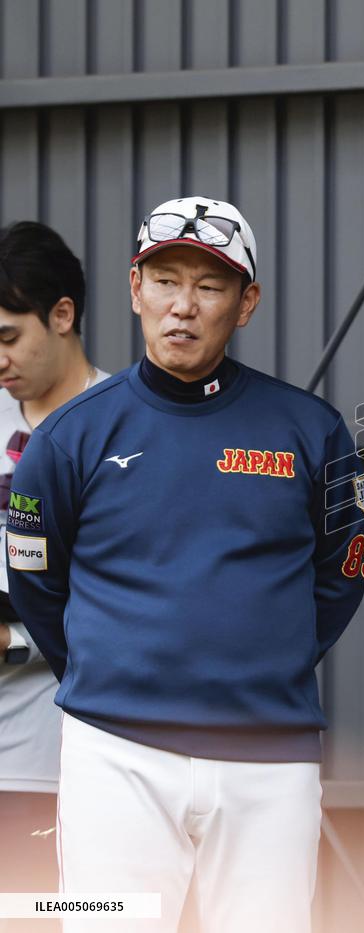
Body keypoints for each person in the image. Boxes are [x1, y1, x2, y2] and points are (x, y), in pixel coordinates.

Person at [7, 197, 364, 933]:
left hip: (270, 757)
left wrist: (264, 659)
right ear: (135, 288)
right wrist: (110, 669)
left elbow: (345, 570)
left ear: (247, 303)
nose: (183, 306)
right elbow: (36, 579)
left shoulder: (311, 430)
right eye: (166, 281)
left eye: (209, 287)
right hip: (114, 754)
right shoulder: (70, 436)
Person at [0, 221, 109, 930]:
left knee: (45, 917)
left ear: (62, 315)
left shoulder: (129, 428)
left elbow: (133, 603)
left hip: (66, 764)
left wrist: (13, 641)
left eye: (9, 336)